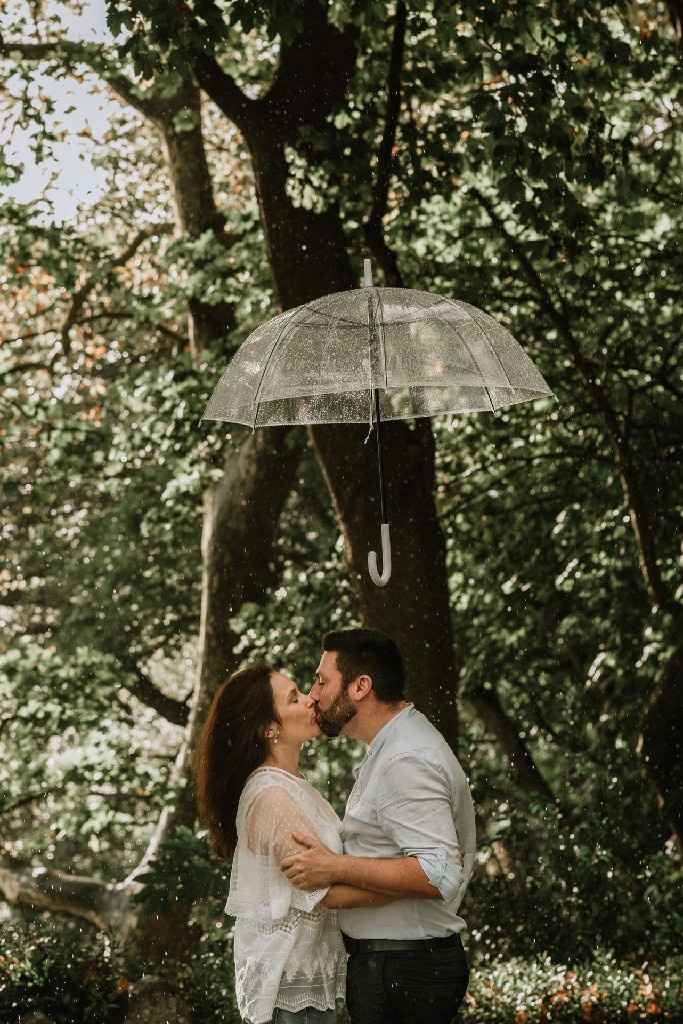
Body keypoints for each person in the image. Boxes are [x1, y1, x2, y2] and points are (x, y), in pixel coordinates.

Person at [281, 628, 476, 1024]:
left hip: (405, 971)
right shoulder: (393, 746)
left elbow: (439, 872)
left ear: (360, 686)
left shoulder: (406, 758)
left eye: (322, 680)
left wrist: (335, 868)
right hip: (396, 967)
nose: (313, 693)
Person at [195, 662, 399, 1024]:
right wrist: (409, 884)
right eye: (294, 699)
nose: (311, 700)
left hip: (304, 988)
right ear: (270, 729)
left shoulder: (292, 786)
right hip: (288, 995)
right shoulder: (270, 795)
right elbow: (323, 892)